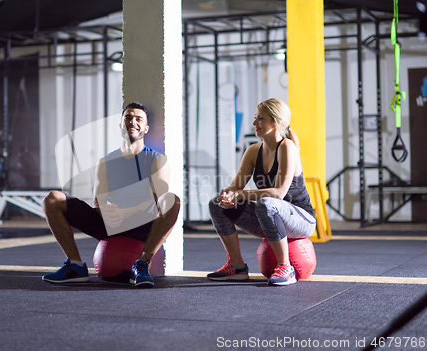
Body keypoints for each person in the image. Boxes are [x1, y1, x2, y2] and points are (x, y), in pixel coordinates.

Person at [42, 102, 180, 287]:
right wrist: (108, 212)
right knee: (53, 199)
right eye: (128, 117)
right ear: (121, 125)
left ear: (146, 128)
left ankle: (142, 264)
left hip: (142, 222)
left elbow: (159, 201)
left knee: (172, 200)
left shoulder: (157, 160)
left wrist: (126, 212)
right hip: (111, 222)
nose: (133, 121)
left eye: (139, 119)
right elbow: (98, 202)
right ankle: (75, 266)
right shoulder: (105, 162)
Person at [207, 98, 316, 286]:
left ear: (275, 122)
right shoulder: (253, 151)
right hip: (270, 216)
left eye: (260, 119)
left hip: (302, 220)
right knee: (216, 203)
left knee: (266, 203)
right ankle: (237, 266)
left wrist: (240, 195)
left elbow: (279, 193)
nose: (254, 123)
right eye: (255, 118)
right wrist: (228, 194)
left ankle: (285, 267)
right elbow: (236, 187)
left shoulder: (287, 148)